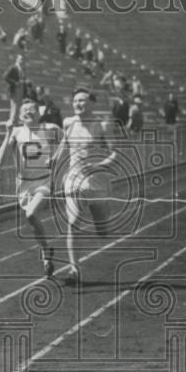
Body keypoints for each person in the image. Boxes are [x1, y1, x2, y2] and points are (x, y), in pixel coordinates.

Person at [53, 88, 122, 285]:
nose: (78, 104)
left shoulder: (102, 125)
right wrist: (54, 160)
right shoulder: (68, 122)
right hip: (74, 179)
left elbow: (115, 153)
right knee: (73, 223)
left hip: (97, 181)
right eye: (75, 101)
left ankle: (102, 221)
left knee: (102, 229)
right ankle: (74, 269)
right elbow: (64, 145)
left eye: (82, 100)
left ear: (92, 103)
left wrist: (97, 165)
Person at [0, 98, 63, 278]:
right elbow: (0, 160)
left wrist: (56, 157)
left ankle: (45, 252)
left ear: (39, 113)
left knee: (31, 214)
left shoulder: (49, 129)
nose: (28, 112)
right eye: (24, 110)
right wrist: (7, 133)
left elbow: (66, 141)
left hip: (44, 182)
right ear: (20, 116)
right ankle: (46, 251)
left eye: (32, 109)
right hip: (23, 185)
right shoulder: (16, 132)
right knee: (33, 221)